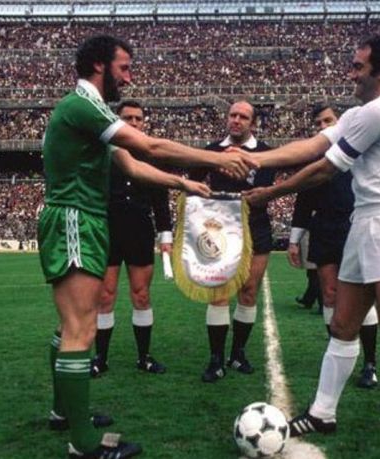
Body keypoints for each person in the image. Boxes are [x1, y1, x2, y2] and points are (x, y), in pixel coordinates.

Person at [39, 35, 255, 459]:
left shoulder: (90, 111)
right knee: (79, 328)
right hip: (75, 218)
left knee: (71, 326)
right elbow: (149, 146)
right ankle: (83, 443)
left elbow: (133, 166)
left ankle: (65, 412)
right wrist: (217, 158)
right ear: (99, 65)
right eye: (123, 67)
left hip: (84, 219)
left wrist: (182, 183)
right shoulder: (82, 105)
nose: (128, 77)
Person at [243, 36, 380, 458]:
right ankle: (323, 412)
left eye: (357, 66)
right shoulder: (358, 113)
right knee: (342, 325)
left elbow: (324, 168)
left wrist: (271, 192)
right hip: (364, 223)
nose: (350, 73)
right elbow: (312, 146)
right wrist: (257, 159)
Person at [288, 103, 379, 389]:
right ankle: (337, 356)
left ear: (340, 122)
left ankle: (370, 363)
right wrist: (294, 240)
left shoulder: (360, 151)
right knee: (328, 294)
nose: (323, 126)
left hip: (356, 225)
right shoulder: (315, 160)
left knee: (363, 298)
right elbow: (303, 203)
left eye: (328, 120)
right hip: (324, 229)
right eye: (318, 123)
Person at [188, 100, 275, 383]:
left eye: (243, 117)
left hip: (255, 225)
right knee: (219, 293)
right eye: (233, 115)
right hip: (220, 230)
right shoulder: (212, 150)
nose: (236, 120)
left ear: (253, 123)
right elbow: (194, 184)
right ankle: (215, 359)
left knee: (248, 293)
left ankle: (238, 353)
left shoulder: (265, 153)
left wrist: (240, 167)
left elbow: (263, 186)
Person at [90, 101, 172, 378]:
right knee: (105, 296)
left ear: (144, 122)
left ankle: (144, 357)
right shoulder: (104, 152)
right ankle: (101, 358)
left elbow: (161, 200)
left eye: (138, 118)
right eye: (128, 118)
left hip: (140, 229)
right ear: (118, 120)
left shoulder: (152, 155)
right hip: (107, 229)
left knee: (142, 294)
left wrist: (165, 235)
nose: (134, 122)